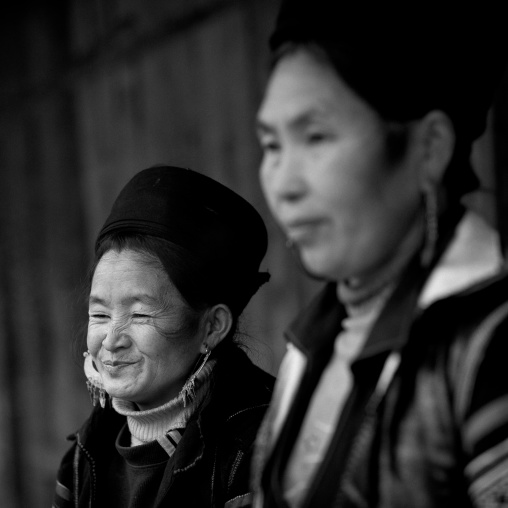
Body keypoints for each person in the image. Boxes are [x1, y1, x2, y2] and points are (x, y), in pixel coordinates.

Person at [252, 1, 508, 507]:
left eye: (316, 137)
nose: (282, 184)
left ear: (428, 148)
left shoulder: (490, 344)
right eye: (272, 145)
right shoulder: (313, 342)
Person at [52, 165, 274, 508]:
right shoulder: (85, 455)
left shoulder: (261, 448)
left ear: (212, 327)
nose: (112, 340)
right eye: (99, 314)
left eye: (140, 314)